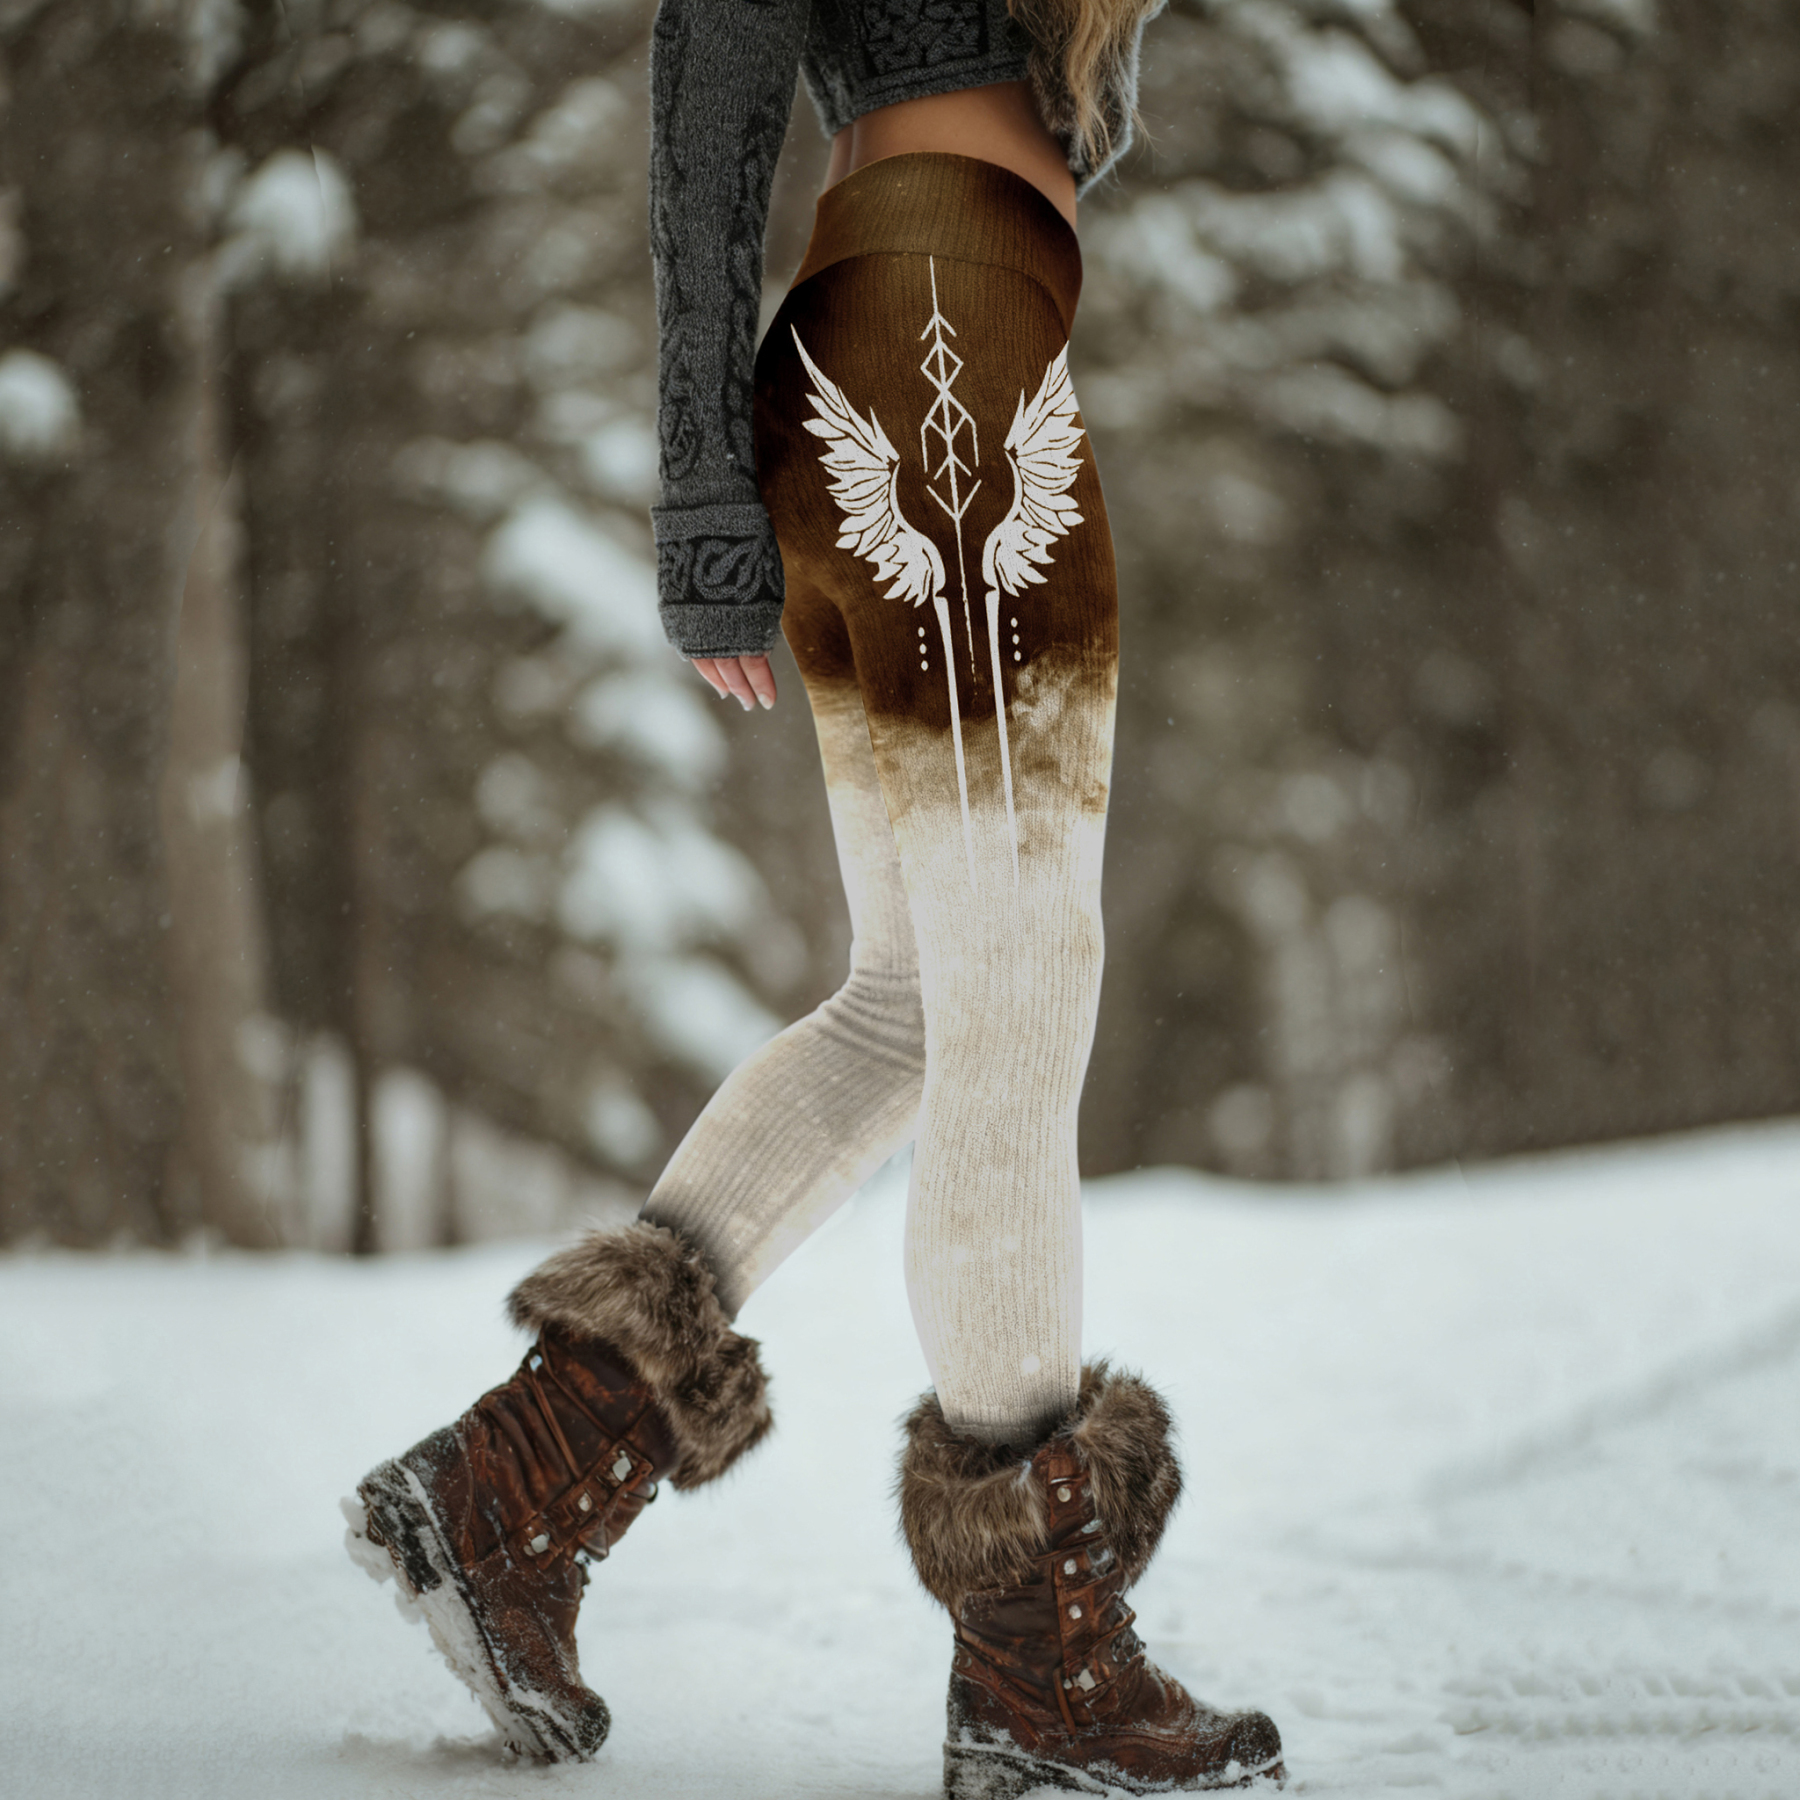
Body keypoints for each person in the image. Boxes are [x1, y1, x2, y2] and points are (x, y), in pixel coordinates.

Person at [343, 0, 1287, 1790]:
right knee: (1012, 1008)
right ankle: (1036, 1673)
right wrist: (697, 480)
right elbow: (715, 50)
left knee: (917, 1007)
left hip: (938, 331)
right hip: (942, 348)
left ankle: (518, 1482)